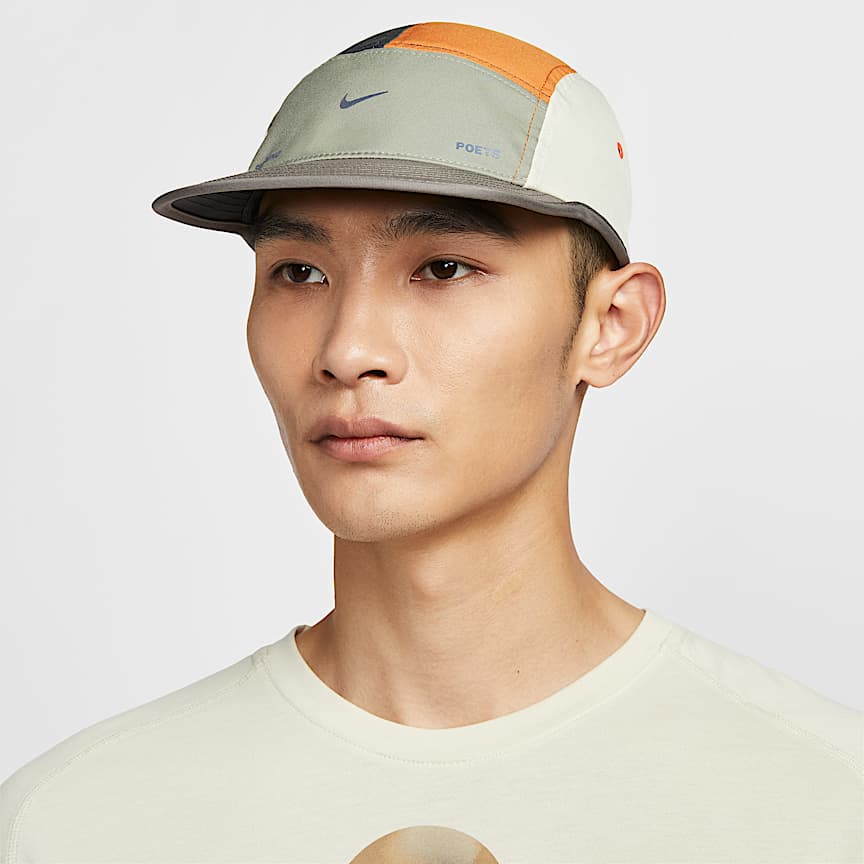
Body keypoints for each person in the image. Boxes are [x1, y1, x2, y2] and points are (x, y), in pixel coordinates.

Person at [1, 20, 861, 864]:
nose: (348, 350)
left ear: (612, 325)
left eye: (444, 268)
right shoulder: (73, 824)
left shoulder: (825, 804)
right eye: (300, 272)